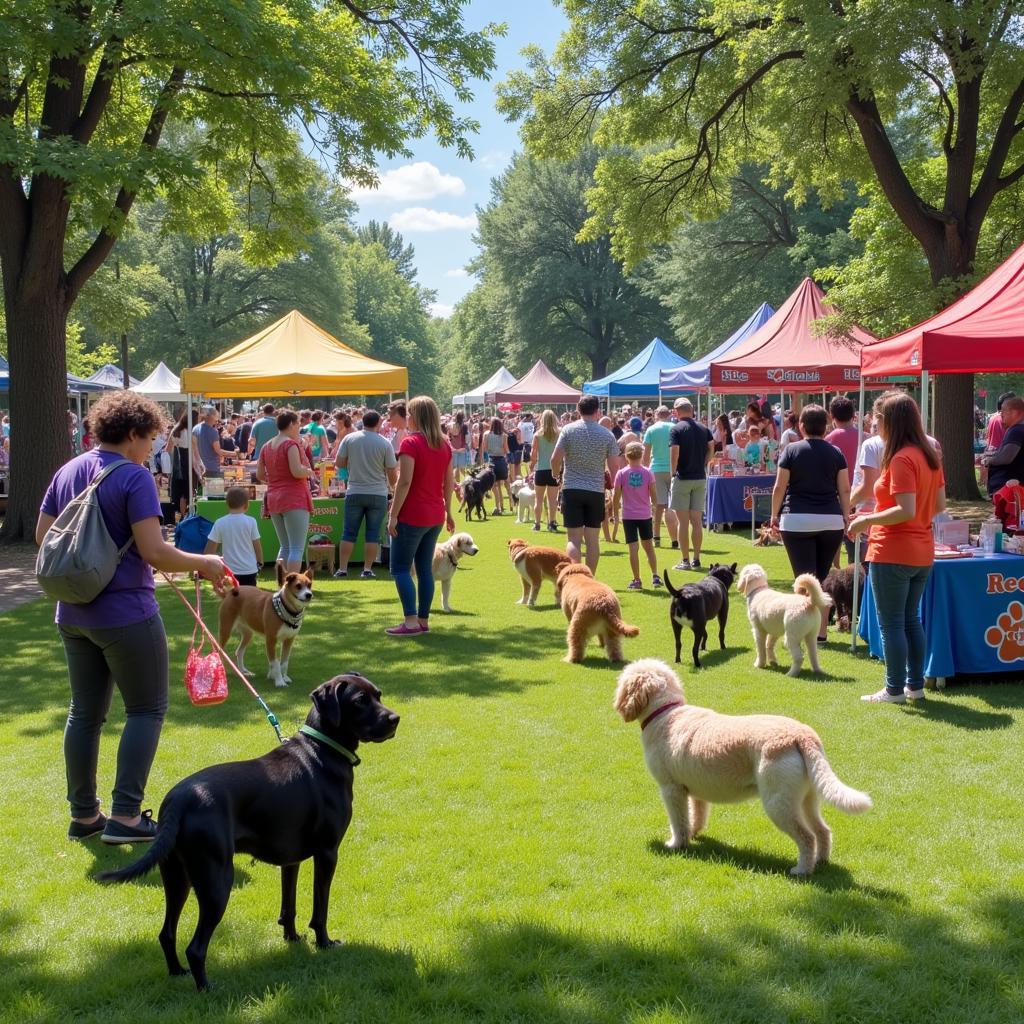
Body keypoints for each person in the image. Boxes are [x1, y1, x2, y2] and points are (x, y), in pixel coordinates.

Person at [36, 390, 226, 844]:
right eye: (151, 438)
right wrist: (205, 563)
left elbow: (46, 537)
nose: (152, 447)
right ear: (135, 433)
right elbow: (154, 551)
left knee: (84, 713)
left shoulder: (68, 470)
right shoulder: (134, 477)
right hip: (125, 612)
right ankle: (124, 816)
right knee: (146, 708)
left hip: (73, 611)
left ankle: (84, 815)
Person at [848, 393, 946, 703]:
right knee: (910, 620)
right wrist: (913, 522)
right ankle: (914, 686)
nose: (874, 426)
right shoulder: (929, 455)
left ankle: (894, 689)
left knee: (892, 622)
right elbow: (938, 506)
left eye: (876, 421)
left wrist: (866, 520)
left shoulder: (903, 458)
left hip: (893, 549)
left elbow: (905, 508)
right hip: (921, 550)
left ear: (890, 422)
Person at [769, 404, 850, 641]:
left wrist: (774, 515)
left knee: (805, 580)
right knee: (821, 579)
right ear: (826, 427)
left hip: (796, 520)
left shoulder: (791, 450)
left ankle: (804, 630)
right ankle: (821, 632)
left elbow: (779, 487)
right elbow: (844, 489)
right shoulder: (836, 453)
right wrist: (845, 517)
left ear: (801, 426)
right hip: (831, 520)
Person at [386, 396, 455, 636]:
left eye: (409, 413)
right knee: (425, 569)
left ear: (415, 416)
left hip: (412, 514)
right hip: (435, 514)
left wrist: (393, 515)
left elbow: (404, 482)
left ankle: (411, 621)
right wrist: (448, 511)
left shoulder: (410, 443)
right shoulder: (444, 445)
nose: (407, 417)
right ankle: (423, 620)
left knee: (401, 569)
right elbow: (449, 483)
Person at [550, 395, 619, 572]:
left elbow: (555, 459)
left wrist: (556, 474)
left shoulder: (568, 430)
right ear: (598, 411)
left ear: (578, 410)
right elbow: (614, 468)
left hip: (572, 488)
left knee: (573, 539)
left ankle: (574, 577)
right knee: (592, 540)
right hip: (595, 490)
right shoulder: (608, 435)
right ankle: (589, 578)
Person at [334, 410, 397, 579]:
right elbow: (392, 472)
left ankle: (342, 569)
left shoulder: (350, 439)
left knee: (348, 532)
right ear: (379, 422)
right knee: (373, 533)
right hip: (378, 493)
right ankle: (367, 569)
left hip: (354, 490)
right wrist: (393, 489)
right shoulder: (384, 443)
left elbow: (339, 463)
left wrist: (352, 463)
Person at [257, 410, 314, 573]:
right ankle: (292, 586)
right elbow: (296, 471)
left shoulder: (266, 446)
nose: (299, 427)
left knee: (285, 546)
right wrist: (308, 471)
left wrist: (276, 480)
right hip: (294, 498)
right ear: (290, 424)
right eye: (297, 423)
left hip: (274, 498)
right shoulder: (290, 444)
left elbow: (260, 475)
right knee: (296, 548)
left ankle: (282, 585)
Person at [668, 398, 714, 571]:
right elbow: (712, 446)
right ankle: (696, 558)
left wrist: (673, 472)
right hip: (700, 477)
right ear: (691, 410)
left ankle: (685, 560)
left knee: (683, 522)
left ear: (677, 411)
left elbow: (674, 452)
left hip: (683, 478)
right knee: (696, 521)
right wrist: (704, 462)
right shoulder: (704, 428)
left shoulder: (676, 429)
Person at [614, 441, 662, 591]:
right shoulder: (648, 472)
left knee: (633, 549)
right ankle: (655, 576)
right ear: (642, 455)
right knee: (649, 548)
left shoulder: (621, 473)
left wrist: (615, 514)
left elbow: (616, 497)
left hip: (628, 515)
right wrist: (654, 508)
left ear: (626, 456)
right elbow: (654, 496)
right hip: (644, 515)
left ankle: (637, 579)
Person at [205, 486, 263, 586]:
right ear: (247, 505)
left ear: (227, 504)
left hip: (229, 572)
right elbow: (257, 545)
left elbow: (210, 548)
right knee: (249, 599)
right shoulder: (251, 521)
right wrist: (260, 562)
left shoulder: (220, 522)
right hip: (249, 570)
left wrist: (206, 565)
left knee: (231, 598)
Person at [643, 406, 677, 546]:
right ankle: (675, 538)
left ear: (656, 415)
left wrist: (645, 470)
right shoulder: (674, 427)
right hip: (672, 468)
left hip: (656, 469)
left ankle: (656, 536)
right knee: (672, 505)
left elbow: (646, 454)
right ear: (669, 415)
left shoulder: (651, 429)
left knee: (657, 505)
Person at [982, 396, 1024, 496]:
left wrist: (988, 460)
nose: (1001, 414)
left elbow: (1006, 458)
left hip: (1009, 491)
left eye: (1003, 410)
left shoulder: (1016, 431)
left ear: (1014, 412)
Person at [529, 409, 561, 532]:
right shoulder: (559, 434)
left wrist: (531, 467)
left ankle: (537, 524)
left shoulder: (537, 435)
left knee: (539, 499)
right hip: (554, 470)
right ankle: (552, 523)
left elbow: (533, 454)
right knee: (552, 500)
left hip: (541, 470)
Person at [168, 409, 202, 517]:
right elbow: (195, 452)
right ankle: (189, 514)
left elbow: (167, 449)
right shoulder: (191, 432)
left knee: (181, 491)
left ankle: (182, 515)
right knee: (191, 490)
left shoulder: (176, 429)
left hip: (177, 464)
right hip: (189, 462)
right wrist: (200, 465)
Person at [479, 416, 510, 514]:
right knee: (501, 485)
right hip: (501, 461)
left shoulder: (486, 434)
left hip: (491, 461)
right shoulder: (504, 435)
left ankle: (497, 507)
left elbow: (485, 448)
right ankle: (504, 505)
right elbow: (506, 450)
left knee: (494, 486)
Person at [825, 396, 861, 477]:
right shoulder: (865, 437)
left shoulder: (828, 440)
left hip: (838, 486)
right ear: (853, 415)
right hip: (861, 486)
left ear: (832, 416)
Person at [193, 407, 222, 478]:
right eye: (217, 417)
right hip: (212, 469)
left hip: (198, 467)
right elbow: (219, 451)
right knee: (214, 489)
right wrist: (234, 454)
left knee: (200, 489)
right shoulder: (213, 432)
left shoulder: (195, 428)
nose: (217, 420)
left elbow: (193, 448)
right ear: (212, 416)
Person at [448, 411, 471, 482]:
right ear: (463, 417)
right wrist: (466, 446)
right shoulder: (464, 426)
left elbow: (449, 437)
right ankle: (464, 482)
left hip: (453, 449)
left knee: (454, 467)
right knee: (461, 468)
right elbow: (467, 438)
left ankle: (456, 483)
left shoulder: (451, 425)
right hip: (462, 448)